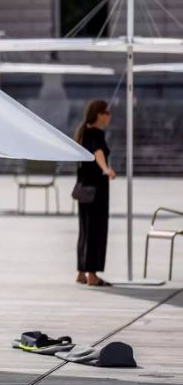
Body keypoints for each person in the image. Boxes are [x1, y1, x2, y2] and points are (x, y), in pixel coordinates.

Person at [74, 100, 115, 287]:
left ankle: (81, 272)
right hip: (96, 189)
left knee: (85, 230)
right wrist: (106, 169)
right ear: (98, 114)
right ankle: (92, 275)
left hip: (83, 189)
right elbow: (98, 153)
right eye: (106, 112)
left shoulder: (83, 133)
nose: (109, 116)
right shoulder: (96, 134)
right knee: (96, 231)